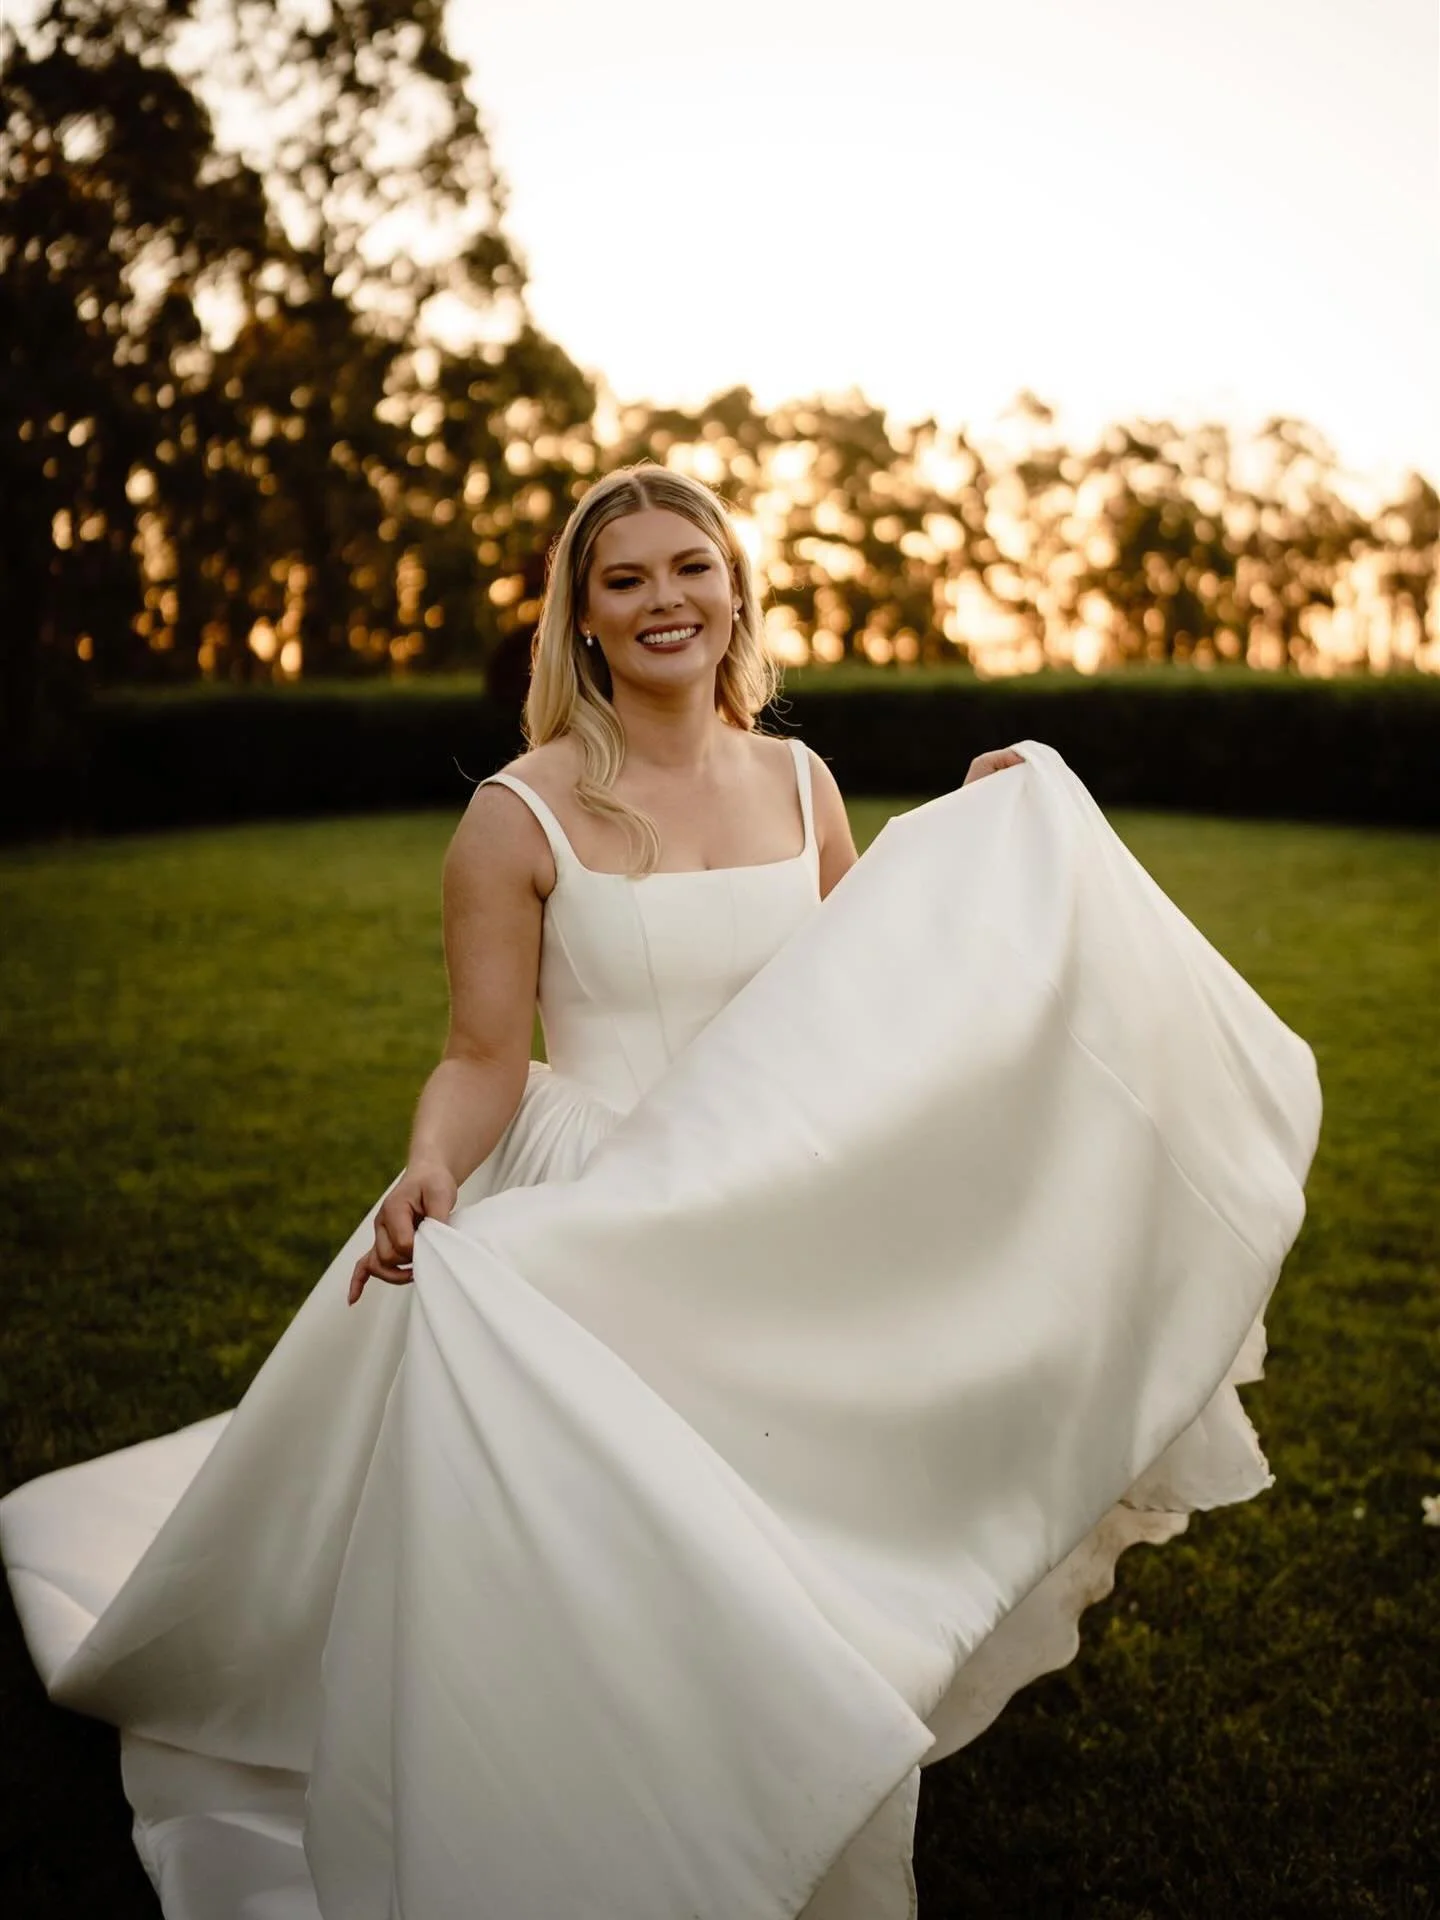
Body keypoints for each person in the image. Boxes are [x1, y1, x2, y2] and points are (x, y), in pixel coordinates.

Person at [0, 465, 1321, 1920]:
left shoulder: (803, 782)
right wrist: (435, 1164)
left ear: (733, 587)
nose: (662, 601)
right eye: (622, 580)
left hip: (775, 1185)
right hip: (605, 1195)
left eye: (687, 566)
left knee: (788, 1504)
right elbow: (483, 1054)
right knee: (632, 1519)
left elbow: (867, 974)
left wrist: (977, 832)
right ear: (581, 619)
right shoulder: (518, 818)